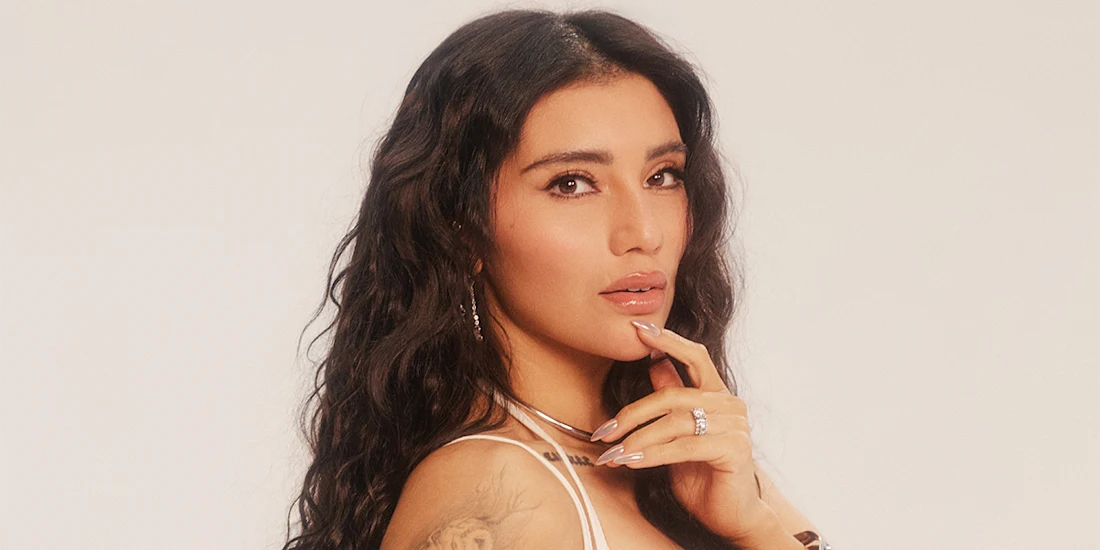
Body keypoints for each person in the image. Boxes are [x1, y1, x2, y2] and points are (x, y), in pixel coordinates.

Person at [282, 8, 831, 550]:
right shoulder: (495, 491)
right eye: (571, 184)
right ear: (461, 229)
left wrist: (753, 525)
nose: (643, 232)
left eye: (662, 176)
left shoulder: (694, 467)